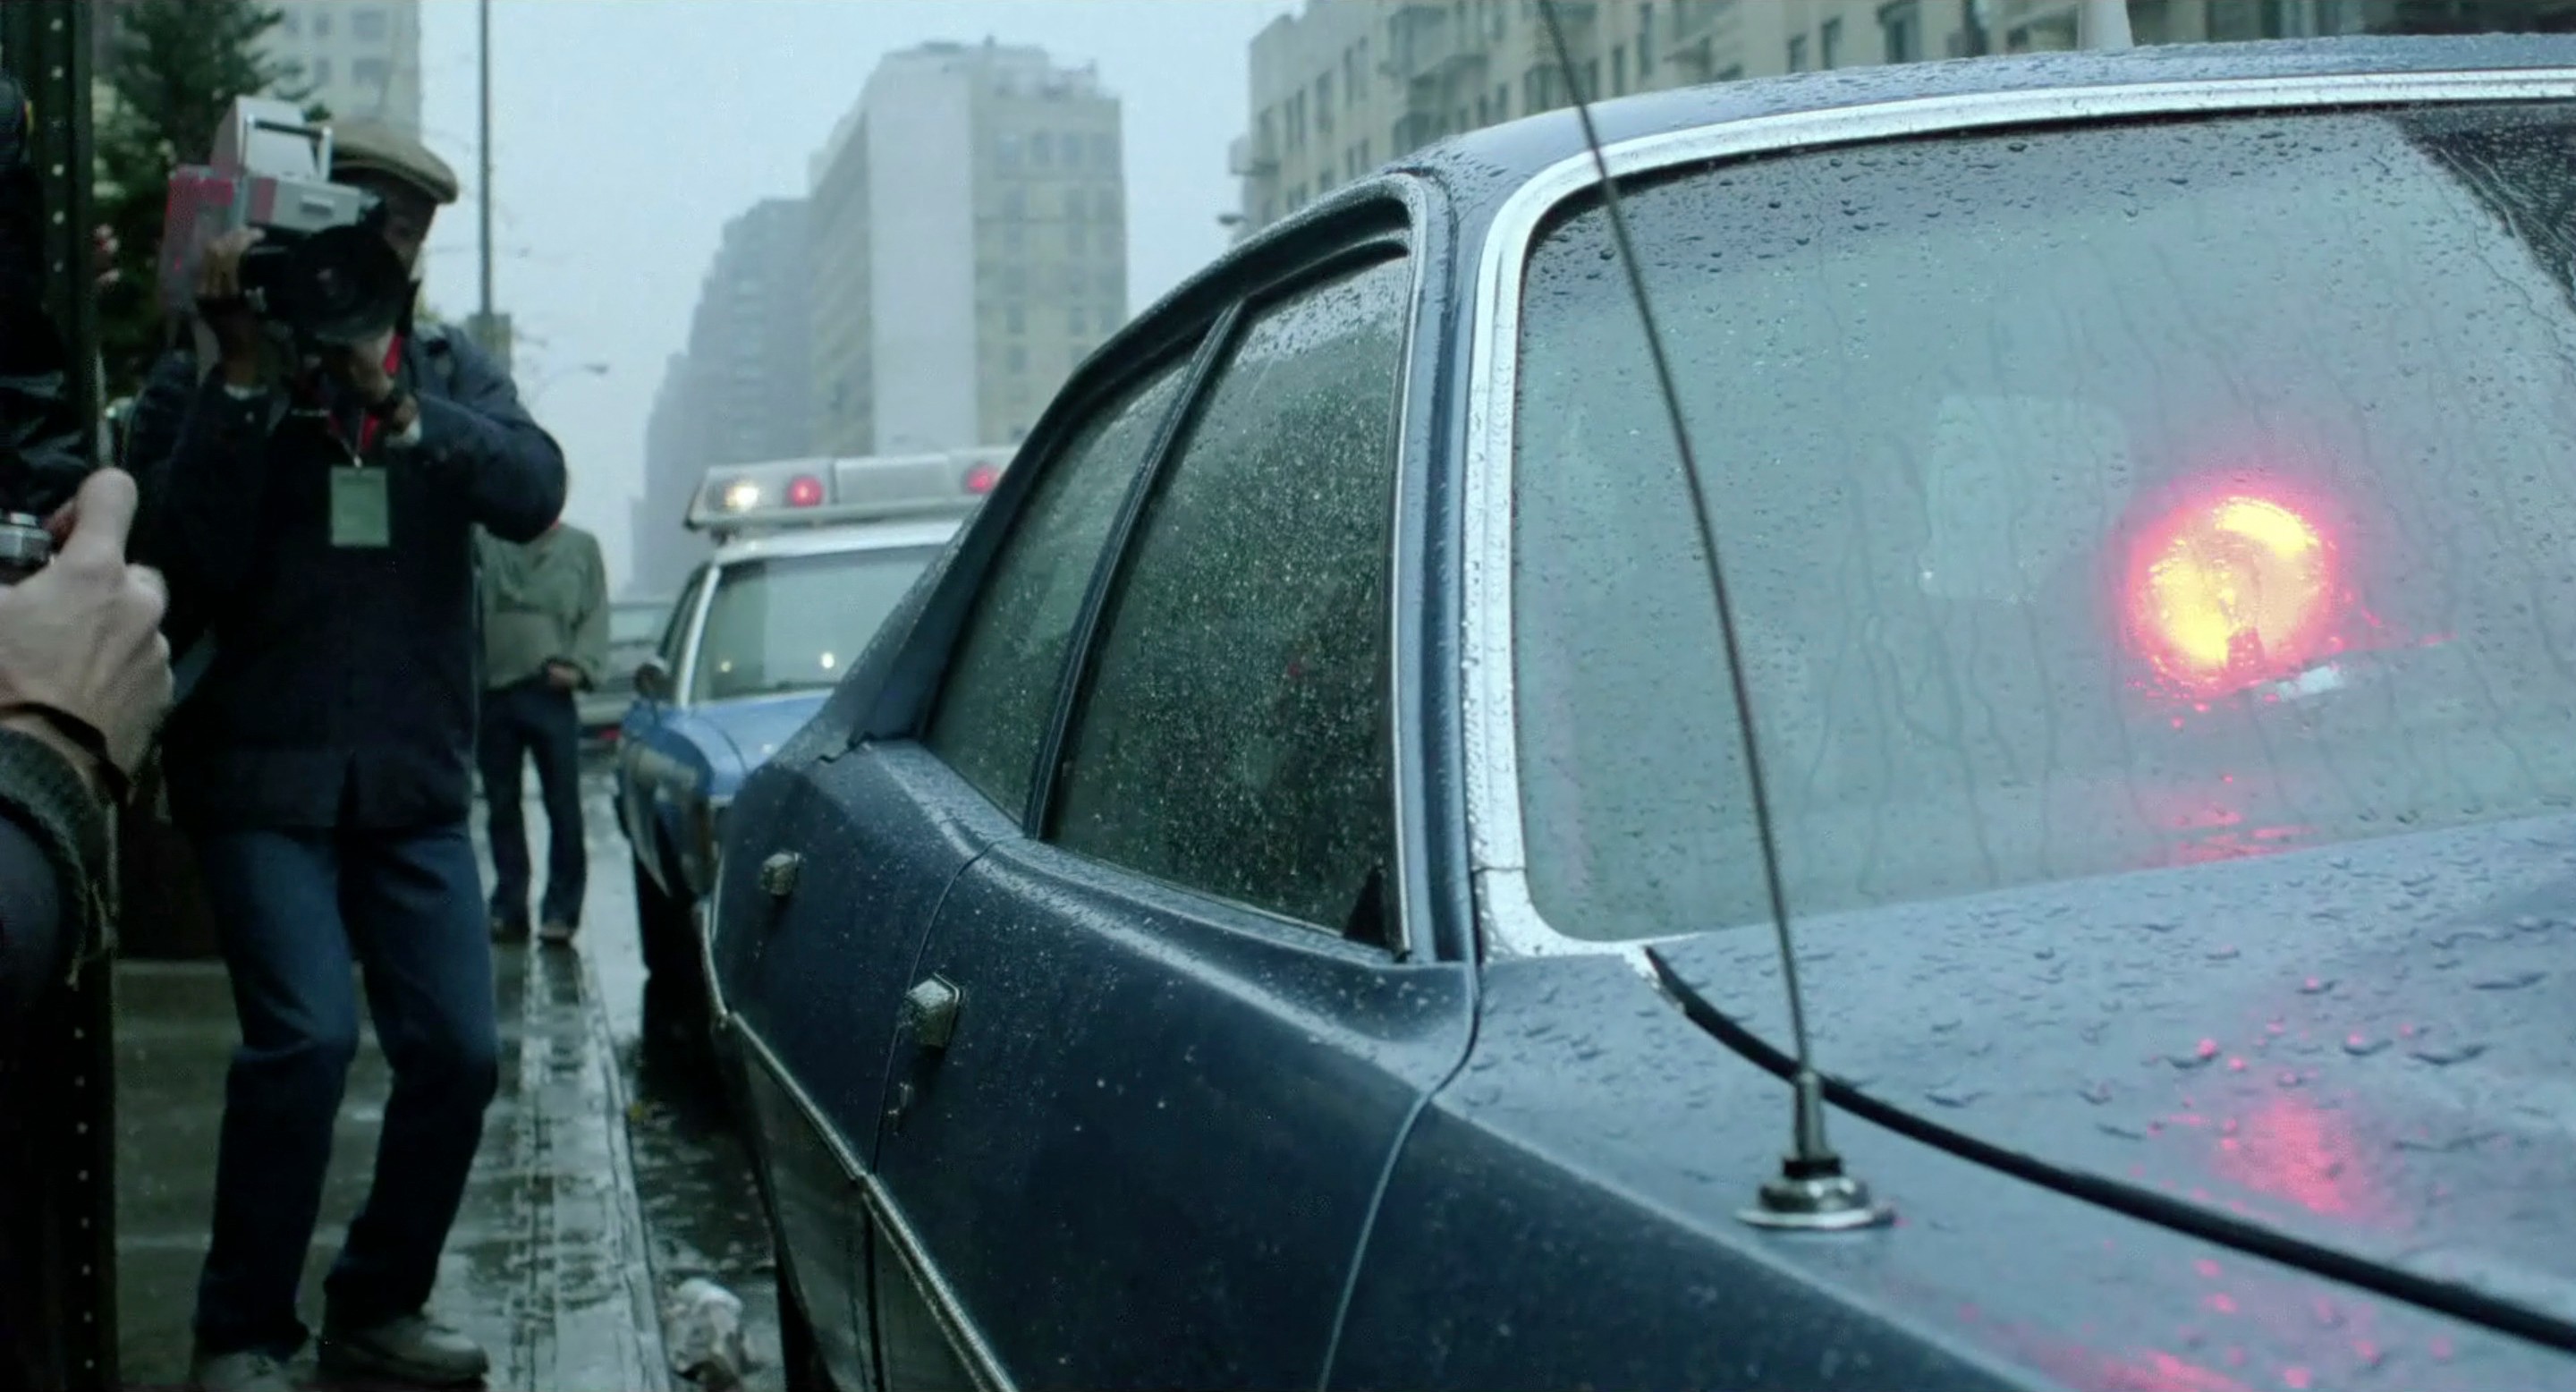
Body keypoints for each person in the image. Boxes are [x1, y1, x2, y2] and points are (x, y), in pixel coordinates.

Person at [123, 119, 566, 1392]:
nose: (381, 245)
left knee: (461, 1056)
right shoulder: (212, 369)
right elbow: (176, 560)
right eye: (359, 217)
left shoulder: (442, 371)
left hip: (415, 786)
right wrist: (247, 382)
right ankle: (243, 1328)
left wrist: (407, 410)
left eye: (408, 228)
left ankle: (377, 1304)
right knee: (306, 1041)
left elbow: (535, 489)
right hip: (262, 780)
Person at [474, 517, 608, 946]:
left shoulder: (580, 547)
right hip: (494, 690)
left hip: (551, 692)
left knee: (563, 806)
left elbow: (594, 613)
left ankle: (562, 911)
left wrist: (581, 668)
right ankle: (509, 907)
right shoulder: (488, 540)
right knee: (501, 806)